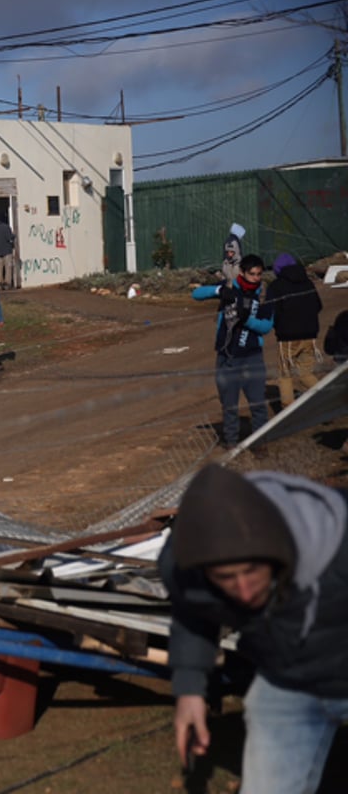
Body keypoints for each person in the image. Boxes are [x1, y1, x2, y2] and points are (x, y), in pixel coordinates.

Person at [160, 464, 348, 794]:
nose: (244, 591)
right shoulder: (183, 567)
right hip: (288, 681)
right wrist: (189, 688)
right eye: (226, 579)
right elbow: (194, 609)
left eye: (252, 570)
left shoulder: (338, 539)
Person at [192, 254, 274, 447]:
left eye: (259, 274)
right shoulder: (229, 288)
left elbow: (267, 326)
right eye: (252, 274)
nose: (256, 278)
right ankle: (231, 442)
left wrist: (247, 320)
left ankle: (260, 442)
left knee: (257, 403)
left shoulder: (263, 295)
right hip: (227, 357)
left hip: (252, 357)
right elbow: (196, 295)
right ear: (242, 273)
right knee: (229, 405)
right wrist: (219, 290)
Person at [265, 253, 322, 408]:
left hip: (288, 337)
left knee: (285, 374)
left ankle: (288, 408)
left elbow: (270, 311)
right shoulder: (308, 283)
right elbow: (318, 306)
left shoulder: (276, 286)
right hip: (310, 335)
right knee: (305, 373)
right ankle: (324, 397)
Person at [0, 216, 18, 290]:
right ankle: (7, 284)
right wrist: (14, 235)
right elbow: (9, 238)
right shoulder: (6, 227)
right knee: (8, 267)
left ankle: (0, 283)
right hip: (7, 250)